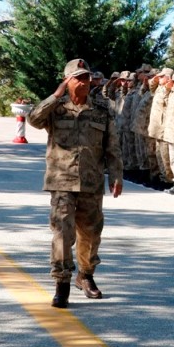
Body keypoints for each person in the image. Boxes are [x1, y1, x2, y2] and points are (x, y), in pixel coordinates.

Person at [28, 58, 123, 309]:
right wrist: (55, 95)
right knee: (62, 234)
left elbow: (112, 148)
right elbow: (34, 119)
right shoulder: (55, 110)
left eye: (87, 77)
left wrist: (116, 175)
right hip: (61, 183)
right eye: (78, 77)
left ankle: (86, 275)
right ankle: (62, 284)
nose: (84, 81)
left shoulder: (101, 111)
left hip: (91, 183)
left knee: (90, 236)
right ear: (67, 80)